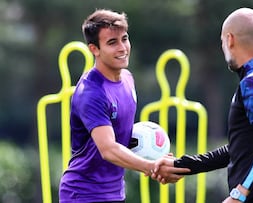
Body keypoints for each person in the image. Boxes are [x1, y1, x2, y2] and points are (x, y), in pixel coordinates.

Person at [153, 7, 253, 203]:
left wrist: (240, 193)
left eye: (222, 42)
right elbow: (242, 147)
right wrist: (182, 165)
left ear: (230, 39)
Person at [58, 9, 189, 203]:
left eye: (124, 39)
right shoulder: (91, 92)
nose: (122, 48)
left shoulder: (127, 79)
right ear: (94, 49)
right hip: (83, 194)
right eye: (112, 42)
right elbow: (108, 149)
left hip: (115, 192)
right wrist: (152, 166)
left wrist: (158, 155)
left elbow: (119, 135)